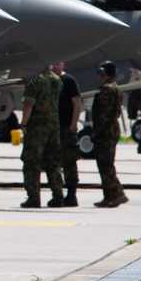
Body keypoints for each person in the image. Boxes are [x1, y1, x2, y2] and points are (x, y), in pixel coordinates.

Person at [20, 65, 66, 208]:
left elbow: (29, 104)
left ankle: (33, 197)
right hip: (53, 125)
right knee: (53, 162)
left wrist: (23, 123)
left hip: (37, 126)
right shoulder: (57, 79)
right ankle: (58, 195)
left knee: (32, 162)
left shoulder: (35, 80)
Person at [90, 61, 127, 207]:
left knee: (105, 165)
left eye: (102, 72)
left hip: (105, 131)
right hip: (112, 129)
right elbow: (116, 112)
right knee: (107, 164)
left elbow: (103, 114)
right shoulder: (116, 88)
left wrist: (97, 132)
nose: (100, 75)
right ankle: (113, 194)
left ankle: (114, 195)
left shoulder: (106, 90)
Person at [57, 68, 82, 207]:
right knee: (53, 162)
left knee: (69, 161)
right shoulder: (49, 81)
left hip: (66, 127)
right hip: (53, 128)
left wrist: (73, 123)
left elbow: (77, 103)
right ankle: (58, 194)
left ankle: (71, 195)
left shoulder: (68, 80)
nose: (55, 65)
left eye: (58, 63)